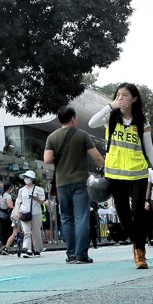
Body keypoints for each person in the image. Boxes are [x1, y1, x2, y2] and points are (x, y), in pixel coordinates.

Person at [89, 83, 153, 270]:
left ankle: (140, 250)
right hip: (115, 173)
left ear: (134, 99)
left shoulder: (142, 122)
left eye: (125, 95)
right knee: (123, 214)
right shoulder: (111, 117)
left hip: (137, 172)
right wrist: (109, 106)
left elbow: (149, 149)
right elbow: (91, 123)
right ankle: (137, 242)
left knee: (139, 211)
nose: (120, 98)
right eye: (118, 95)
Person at [44, 105, 104, 264]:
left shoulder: (52, 137)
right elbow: (97, 157)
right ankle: (81, 254)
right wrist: (105, 168)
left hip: (62, 183)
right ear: (73, 118)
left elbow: (47, 159)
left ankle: (70, 254)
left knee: (66, 218)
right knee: (82, 217)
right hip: (80, 183)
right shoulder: (82, 135)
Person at [13, 170, 46, 258]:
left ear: (32, 179)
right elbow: (19, 202)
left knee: (36, 232)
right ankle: (28, 250)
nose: (26, 179)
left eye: (28, 177)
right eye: (25, 178)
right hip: (24, 212)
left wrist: (36, 199)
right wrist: (18, 212)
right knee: (27, 232)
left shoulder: (39, 189)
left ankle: (37, 249)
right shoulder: (21, 190)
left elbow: (42, 201)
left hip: (36, 213)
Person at [0, 182, 14, 254]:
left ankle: (3, 247)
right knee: (9, 231)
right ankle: (7, 247)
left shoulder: (1, 195)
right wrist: (16, 208)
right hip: (6, 216)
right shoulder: (8, 196)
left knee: (3, 231)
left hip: (1, 215)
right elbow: (9, 205)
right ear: (9, 188)